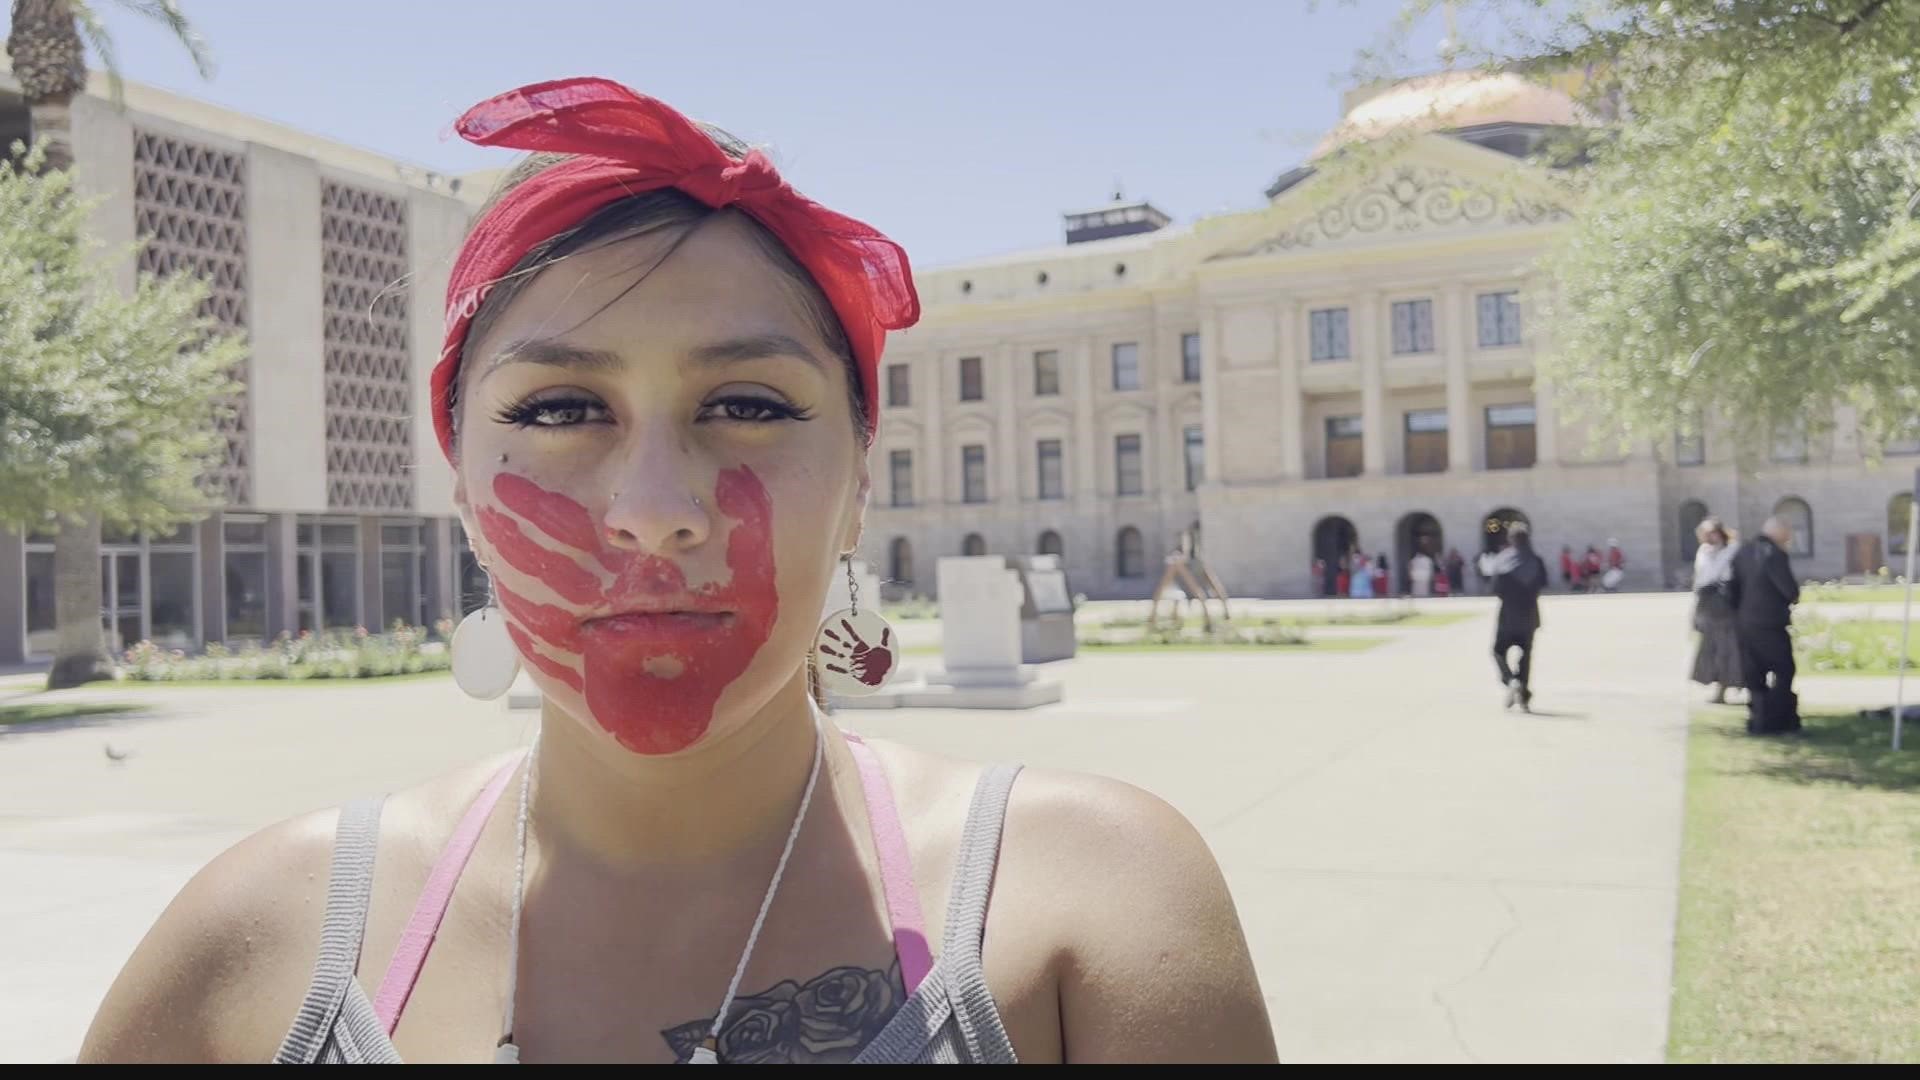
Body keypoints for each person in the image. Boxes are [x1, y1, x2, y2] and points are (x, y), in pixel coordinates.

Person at [78, 79, 1277, 1065]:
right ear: (458, 480)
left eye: (747, 403)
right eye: (559, 410)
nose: (656, 512)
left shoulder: (1091, 909)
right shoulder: (255, 948)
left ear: (862, 477)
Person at [1729, 515, 1802, 735]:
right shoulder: (1775, 554)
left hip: (1746, 623)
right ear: (1781, 534)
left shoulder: (1742, 552)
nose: (1789, 539)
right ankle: (1778, 718)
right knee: (1784, 670)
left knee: (1755, 674)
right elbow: (1789, 590)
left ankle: (1758, 718)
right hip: (1770, 623)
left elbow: (1732, 589)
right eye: (1788, 535)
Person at [1482, 522, 1549, 712]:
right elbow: (1543, 582)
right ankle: (1524, 694)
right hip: (1529, 614)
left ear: (1511, 539)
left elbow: (1495, 588)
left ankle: (1510, 680)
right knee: (1526, 655)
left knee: (1498, 650)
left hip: (1508, 614)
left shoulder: (1503, 560)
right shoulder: (1536, 560)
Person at [1689, 519, 1744, 704]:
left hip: (1725, 602)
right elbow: (1700, 579)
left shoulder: (1732, 550)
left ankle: (1726, 688)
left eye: (1712, 533)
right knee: (1711, 648)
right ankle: (1718, 688)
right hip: (1707, 602)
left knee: (1727, 648)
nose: (1710, 538)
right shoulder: (1704, 552)